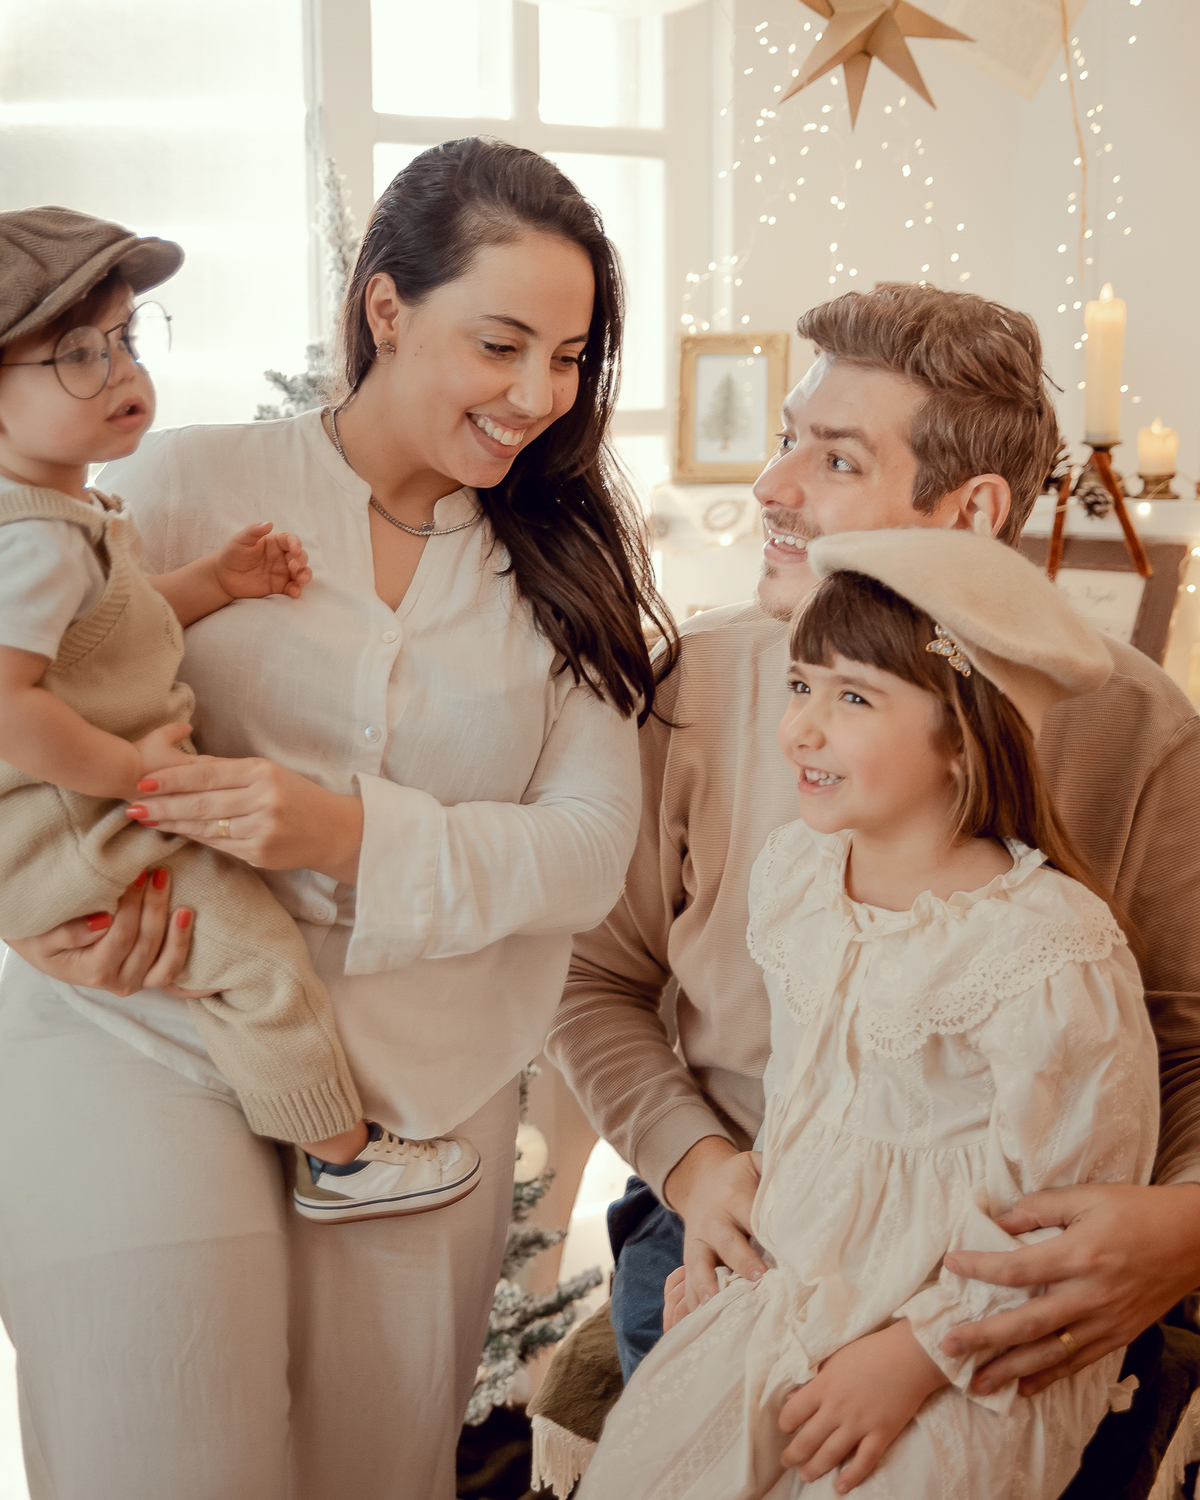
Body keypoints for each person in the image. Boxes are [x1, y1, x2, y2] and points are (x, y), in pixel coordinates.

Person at [0, 137, 673, 1500]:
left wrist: (344, 833)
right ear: (385, 311)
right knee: (163, 1449)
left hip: (429, 1090)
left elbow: (590, 851)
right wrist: (35, 925)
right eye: (501, 344)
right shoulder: (178, 484)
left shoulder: (569, 565)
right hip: (139, 1037)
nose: (539, 394)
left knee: (374, 1468)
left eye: (569, 357)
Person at [548, 284, 1200, 1403]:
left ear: (972, 511)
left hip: (995, 1245)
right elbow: (590, 977)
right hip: (740, 1211)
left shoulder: (1139, 728)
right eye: (787, 440)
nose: (772, 486)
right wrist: (697, 1167)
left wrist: (1182, 1226)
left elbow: (1185, 1041)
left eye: (837, 461)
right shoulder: (696, 685)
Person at [578, 528, 1158, 1499]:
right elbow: (809, 1107)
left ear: (964, 733)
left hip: (968, 1337)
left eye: (852, 698)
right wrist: (743, 1245)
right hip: (802, 1277)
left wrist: (916, 1356)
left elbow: (1064, 1214)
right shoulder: (805, 876)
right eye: (801, 686)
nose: (802, 728)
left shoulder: (1046, 949)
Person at [0, 205, 482, 1223]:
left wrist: (215, 582)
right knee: (258, 961)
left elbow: (113, 630)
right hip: (78, 831)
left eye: (127, 339)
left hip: (88, 814)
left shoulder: (64, 517)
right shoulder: (32, 545)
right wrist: (132, 776)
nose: (123, 372)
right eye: (77, 356)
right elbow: (7, 710)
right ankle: (341, 1158)